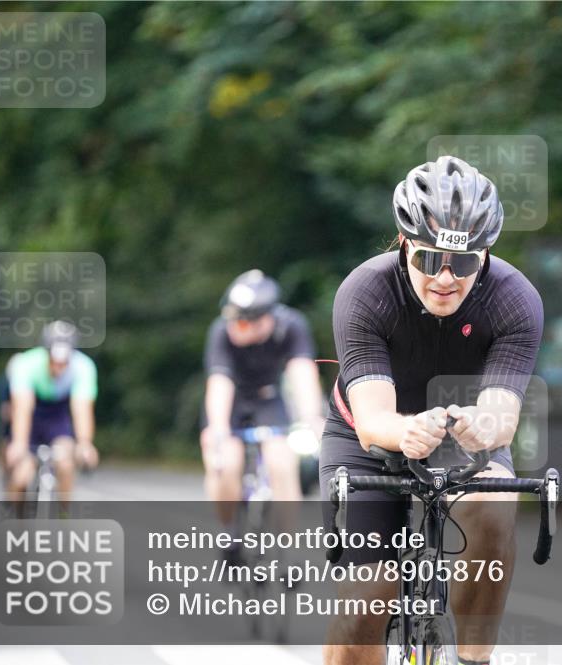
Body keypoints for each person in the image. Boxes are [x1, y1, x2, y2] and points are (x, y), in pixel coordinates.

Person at [321, 155, 544, 665]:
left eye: (463, 263)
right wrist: (406, 431)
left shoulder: (515, 300)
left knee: (493, 504)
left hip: (459, 438)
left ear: (485, 253)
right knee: (362, 612)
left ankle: (473, 659)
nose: (445, 278)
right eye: (429, 260)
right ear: (404, 244)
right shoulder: (366, 291)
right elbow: (374, 422)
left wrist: (477, 425)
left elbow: (500, 416)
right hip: (368, 440)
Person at [200, 269, 324, 539]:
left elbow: (302, 373)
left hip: (268, 398)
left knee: (282, 464)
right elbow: (220, 382)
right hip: (230, 402)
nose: (234, 328)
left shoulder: (290, 326)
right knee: (226, 465)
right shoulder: (220, 332)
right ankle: (228, 531)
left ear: (264, 320)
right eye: (232, 321)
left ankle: (288, 548)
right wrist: (218, 430)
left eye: (242, 324)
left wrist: (312, 420)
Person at [4, 320, 99, 506]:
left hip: (58, 418)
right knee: (21, 476)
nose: (58, 368)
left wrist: (85, 443)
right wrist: (19, 444)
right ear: (46, 353)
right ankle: (16, 522)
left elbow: (81, 410)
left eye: (64, 363)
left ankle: (64, 518)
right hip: (32, 418)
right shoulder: (26, 364)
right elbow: (23, 409)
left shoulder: (83, 367)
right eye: (54, 362)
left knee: (65, 463)